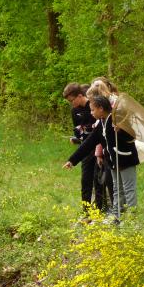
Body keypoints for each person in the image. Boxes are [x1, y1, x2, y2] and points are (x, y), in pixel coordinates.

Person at [63, 95, 139, 220]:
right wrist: (72, 160)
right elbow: (88, 143)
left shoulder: (117, 119)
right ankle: (118, 216)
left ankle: (132, 220)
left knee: (129, 190)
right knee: (116, 189)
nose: (91, 113)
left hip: (126, 159)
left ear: (101, 108)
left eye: (93, 110)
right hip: (113, 161)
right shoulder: (101, 123)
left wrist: (122, 129)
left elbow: (131, 136)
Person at [62, 82, 106, 214]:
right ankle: (86, 212)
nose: (72, 103)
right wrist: (78, 137)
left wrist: (90, 130)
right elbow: (78, 130)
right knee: (85, 180)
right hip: (85, 148)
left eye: (72, 100)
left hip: (97, 147)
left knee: (98, 180)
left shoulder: (92, 106)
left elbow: (98, 129)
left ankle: (99, 210)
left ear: (80, 96)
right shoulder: (74, 111)